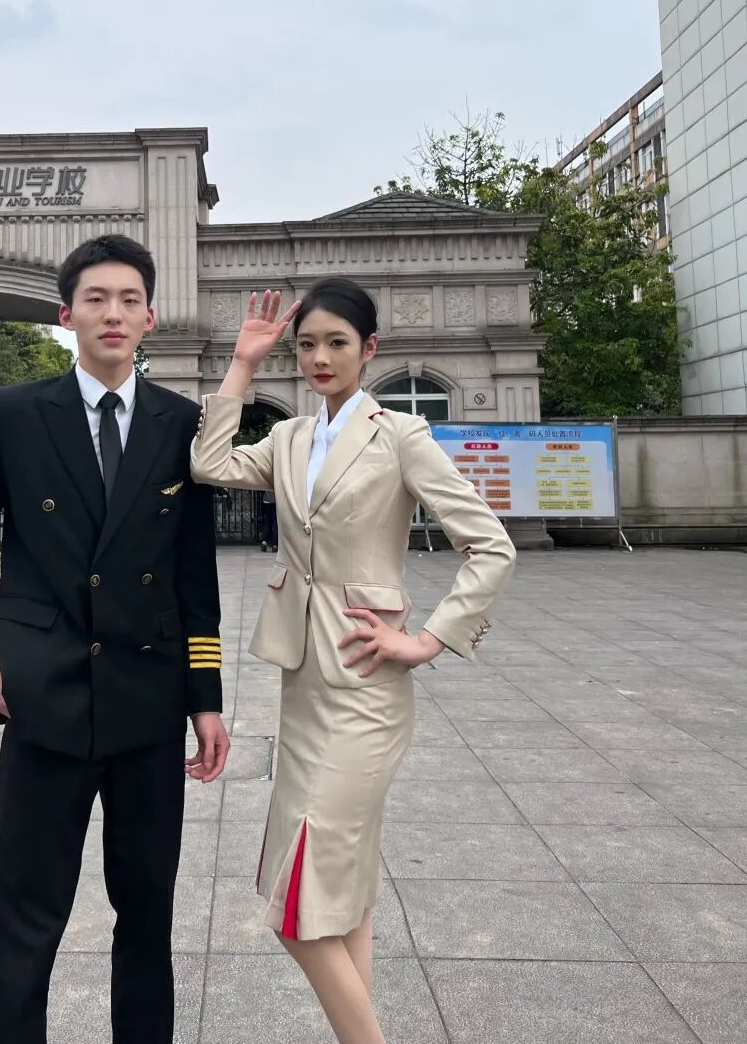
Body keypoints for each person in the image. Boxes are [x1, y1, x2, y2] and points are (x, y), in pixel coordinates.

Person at [190, 281, 516, 1044]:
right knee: (343, 895)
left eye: (337, 342)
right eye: (307, 344)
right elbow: (208, 463)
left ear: (369, 349)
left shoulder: (401, 435)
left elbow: (491, 545)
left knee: (297, 908)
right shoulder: (288, 438)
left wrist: (428, 639)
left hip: (368, 689)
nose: (320, 357)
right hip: (302, 685)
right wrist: (243, 364)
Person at [0, 235, 230, 1044]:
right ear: (67, 315)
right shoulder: (15, 413)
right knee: (26, 917)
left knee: (148, 916)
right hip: (44, 701)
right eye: (96, 298)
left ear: (150, 317)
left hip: (148, 704)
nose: (113, 313)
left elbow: (193, 576)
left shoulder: (181, 423)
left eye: (129, 299)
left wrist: (205, 700)